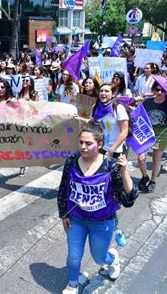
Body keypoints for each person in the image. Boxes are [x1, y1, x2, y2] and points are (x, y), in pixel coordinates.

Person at [57, 124, 137, 294]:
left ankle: (112, 259)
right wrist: (63, 213)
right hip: (76, 219)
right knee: (73, 255)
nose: (83, 147)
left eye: (88, 143)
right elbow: (64, 188)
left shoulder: (111, 165)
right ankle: (72, 284)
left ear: (100, 144)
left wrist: (124, 173)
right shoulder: (72, 161)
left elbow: (128, 200)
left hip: (102, 222)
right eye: (80, 142)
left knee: (99, 257)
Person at [137, 77, 167, 193]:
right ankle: (144, 176)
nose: (159, 92)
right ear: (153, 90)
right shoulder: (147, 102)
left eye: (162, 91)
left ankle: (152, 181)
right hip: (146, 131)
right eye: (157, 90)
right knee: (141, 157)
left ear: (166, 92)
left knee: (155, 159)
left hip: (161, 132)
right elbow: (138, 115)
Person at [91, 84, 129, 157]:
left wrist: (112, 149)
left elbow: (124, 132)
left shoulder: (118, 108)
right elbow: (93, 125)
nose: (103, 93)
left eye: (106, 91)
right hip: (100, 147)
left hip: (116, 150)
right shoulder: (96, 107)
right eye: (101, 91)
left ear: (113, 94)